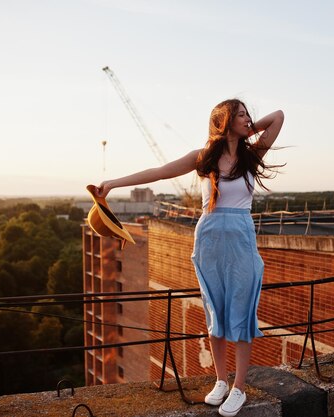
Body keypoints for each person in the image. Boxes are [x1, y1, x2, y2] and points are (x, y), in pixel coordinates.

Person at [91, 99, 284, 417]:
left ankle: (238, 388)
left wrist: (247, 128)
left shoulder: (251, 155)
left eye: (248, 115)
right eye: (241, 115)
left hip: (241, 241)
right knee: (215, 315)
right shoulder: (203, 158)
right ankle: (220, 381)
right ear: (224, 121)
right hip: (209, 238)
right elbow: (159, 172)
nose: (248, 119)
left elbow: (278, 117)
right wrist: (114, 183)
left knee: (241, 314)